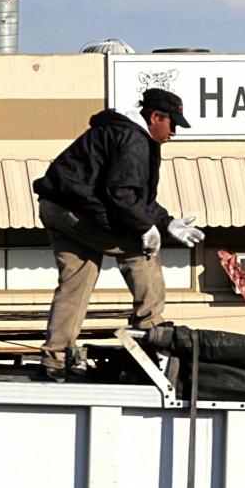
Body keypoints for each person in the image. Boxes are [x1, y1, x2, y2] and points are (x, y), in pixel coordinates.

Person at [31, 87, 205, 379]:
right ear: (155, 116)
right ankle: (151, 329)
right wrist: (145, 229)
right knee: (142, 251)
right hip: (76, 208)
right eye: (172, 124)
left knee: (77, 280)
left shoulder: (121, 133)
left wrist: (166, 222)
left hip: (57, 206)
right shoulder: (134, 140)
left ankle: (55, 359)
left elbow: (135, 199)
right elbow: (122, 196)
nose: (174, 132)